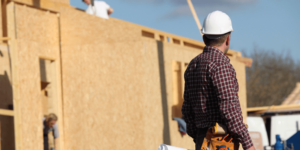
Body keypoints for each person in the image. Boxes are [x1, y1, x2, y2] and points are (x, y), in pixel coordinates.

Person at [182, 10, 255, 150]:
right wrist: (249, 145)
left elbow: (187, 110)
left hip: (202, 142)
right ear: (228, 39)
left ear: (204, 39)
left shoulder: (192, 65)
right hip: (222, 143)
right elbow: (230, 110)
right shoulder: (221, 65)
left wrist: (199, 137)